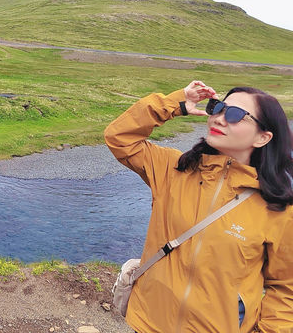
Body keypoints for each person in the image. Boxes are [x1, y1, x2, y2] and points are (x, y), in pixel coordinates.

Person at [104, 80, 293, 332]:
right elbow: (119, 137)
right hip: (148, 323)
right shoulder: (173, 169)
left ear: (263, 137)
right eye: (218, 107)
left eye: (235, 115)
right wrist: (177, 102)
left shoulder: (277, 206)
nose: (219, 118)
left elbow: (285, 286)